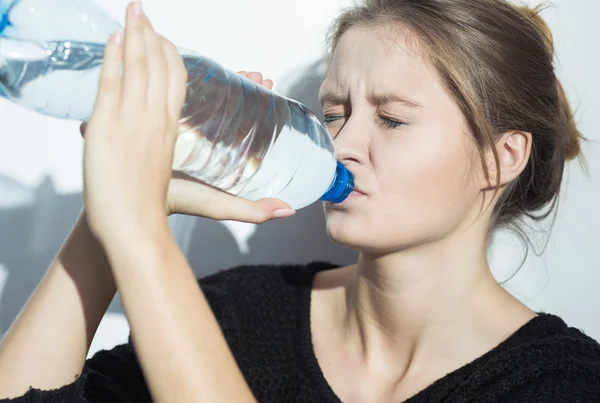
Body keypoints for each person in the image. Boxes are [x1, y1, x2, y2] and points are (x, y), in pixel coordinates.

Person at [1, 0, 599, 401]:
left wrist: (138, 237)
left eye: (391, 120)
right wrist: (119, 214)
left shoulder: (562, 382)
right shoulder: (239, 311)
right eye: (334, 113)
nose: (341, 146)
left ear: (502, 157)